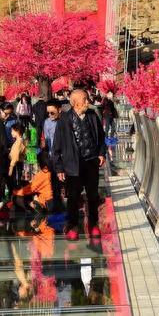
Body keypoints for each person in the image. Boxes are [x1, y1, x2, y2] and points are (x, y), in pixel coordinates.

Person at [52, 89, 106, 241]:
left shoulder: (92, 116)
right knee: (73, 197)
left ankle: (93, 224)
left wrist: (101, 153)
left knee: (93, 196)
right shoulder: (64, 120)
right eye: (85, 99)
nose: (88, 102)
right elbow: (56, 146)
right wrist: (59, 167)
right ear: (75, 102)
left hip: (91, 162)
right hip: (72, 165)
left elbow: (101, 138)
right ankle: (72, 226)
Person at [8, 123, 26, 190]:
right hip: (17, 164)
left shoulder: (19, 142)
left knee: (16, 182)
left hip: (16, 165)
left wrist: (11, 167)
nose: (11, 133)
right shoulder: (19, 140)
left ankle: (17, 197)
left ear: (17, 131)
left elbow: (15, 157)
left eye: (12, 131)